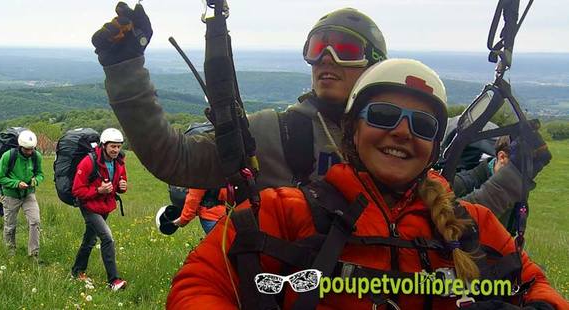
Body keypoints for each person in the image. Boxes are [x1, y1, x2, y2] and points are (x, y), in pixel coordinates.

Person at [169, 59, 567, 309]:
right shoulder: (285, 211)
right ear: (352, 132)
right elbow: (200, 283)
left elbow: (533, 283)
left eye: (422, 125)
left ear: (432, 146)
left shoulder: (469, 224)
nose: (402, 132)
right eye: (382, 115)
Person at [92, 3, 544, 218]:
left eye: (344, 48)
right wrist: (126, 68)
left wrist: (514, 175)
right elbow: (174, 159)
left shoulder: (396, 139)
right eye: (316, 47)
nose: (326, 57)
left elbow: (449, 225)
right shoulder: (276, 132)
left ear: (373, 65)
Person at [69, 128, 129, 291]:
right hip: (89, 206)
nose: (116, 150)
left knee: (90, 240)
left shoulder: (119, 162)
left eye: (118, 146)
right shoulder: (89, 161)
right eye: (113, 147)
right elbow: (77, 190)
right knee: (107, 238)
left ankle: (76, 271)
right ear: (104, 145)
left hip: (105, 206)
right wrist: (98, 190)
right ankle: (114, 281)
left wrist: (122, 187)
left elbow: (117, 185)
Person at [0, 130, 45, 262]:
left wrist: (36, 180)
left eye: (32, 149)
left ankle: (33, 254)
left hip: (29, 194)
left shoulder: (36, 156)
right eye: (27, 149)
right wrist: (16, 183)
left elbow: (40, 174)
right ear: (21, 147)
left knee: (35, 221)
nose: (30, 152)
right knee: (10, 225)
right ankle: (10, 251)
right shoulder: (8, 156)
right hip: (11, 195)